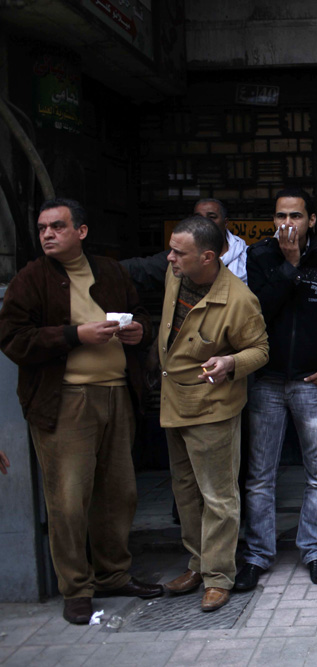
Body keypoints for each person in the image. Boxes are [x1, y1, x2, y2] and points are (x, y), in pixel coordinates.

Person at [0, 198, 163, 624]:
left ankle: (113, 574)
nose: (48, 235)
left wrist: (139, 331)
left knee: (118, 494)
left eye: (57, 226)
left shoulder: (109, 270)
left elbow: (143, 313)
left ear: (82, 231)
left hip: (116, 395)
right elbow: (14, 340)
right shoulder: (31, 279)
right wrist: (75, 334)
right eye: (42, 229)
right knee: (69, 500)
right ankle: (76, 587)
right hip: (66, 401)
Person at [237, 188, 317, 590]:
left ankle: (315, 552)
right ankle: (256, 556)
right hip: (267, 381)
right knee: (259, 475)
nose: (286, 223)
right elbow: (255, 314)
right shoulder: (258, 258)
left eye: (295, 216)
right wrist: (289, 267)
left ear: (311, 221)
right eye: (280, 216)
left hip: (312, 382)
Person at [158, 216, 268, 612]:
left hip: (213, 407)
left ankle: (219, 577)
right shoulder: (176, 276)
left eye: (178, 252)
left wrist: (230, 363)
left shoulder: (239, 299)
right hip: (174, 402)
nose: (169, 258)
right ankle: (198, 565)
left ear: (207, 257)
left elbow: (260, 350)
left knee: (218, 497)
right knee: (185, 493)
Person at [122, 198, 248, 291]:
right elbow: (141, 268)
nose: (204, 222)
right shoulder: (177, 258)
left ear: (225, 223)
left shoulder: (248, 258)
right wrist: (105, 267)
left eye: (212, 217)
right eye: (198, 217)